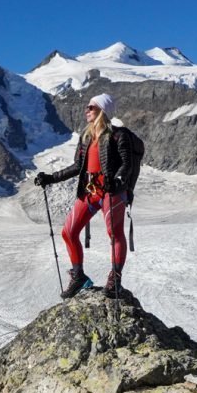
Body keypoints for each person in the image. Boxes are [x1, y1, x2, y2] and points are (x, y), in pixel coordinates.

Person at [34, 93, 132, 299]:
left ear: (102, 110)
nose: (86, 110)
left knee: (114, 233)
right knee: (68, 232)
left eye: (91, 107)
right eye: (88, 107)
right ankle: (78, 276)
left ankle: (115, 279)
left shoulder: (117, 135)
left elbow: (127, 163)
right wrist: (51, 178)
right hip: (90, 190)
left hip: (111, 191)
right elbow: (78, 167)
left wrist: (117, 180)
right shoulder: (86, 137)